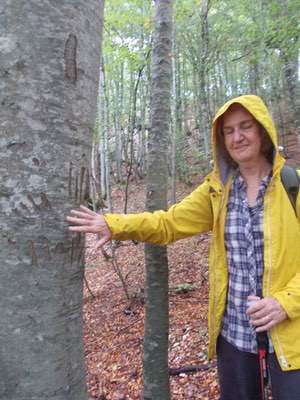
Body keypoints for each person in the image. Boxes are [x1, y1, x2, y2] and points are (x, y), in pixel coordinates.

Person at [67, 95, 300, 400]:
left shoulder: (291, 185)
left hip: (292, 336)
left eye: (246, 127)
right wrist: (114, 224)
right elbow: (168, 223)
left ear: (263, 132)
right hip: (235, 336)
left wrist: (285, 303)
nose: (237, 137)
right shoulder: (217, 191)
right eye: (228, 131)